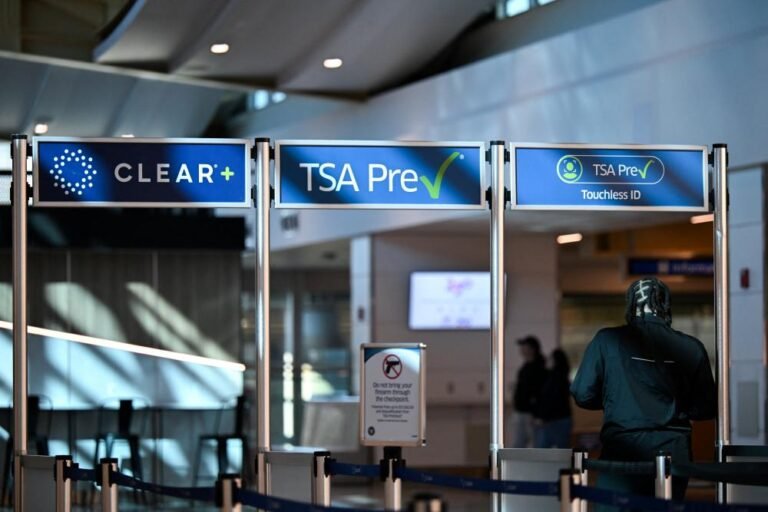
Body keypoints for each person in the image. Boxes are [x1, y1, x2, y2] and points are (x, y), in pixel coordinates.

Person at [571, 277, 716, 505]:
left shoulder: (607, 340)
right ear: (665, 304)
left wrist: (616, 399)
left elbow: (582, 393)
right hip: (674, 450)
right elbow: (706, 408)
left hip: (623, 449)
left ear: (631, 304)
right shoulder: (691, 347)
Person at [512, 335, 547, 448]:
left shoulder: (539, 367)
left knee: (534, 443)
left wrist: (537, 413)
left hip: (531, 413)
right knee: (519, 443)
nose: (521, 350)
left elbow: (540, 392)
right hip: (521, 410)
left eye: (524, 347)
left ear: (532, 349)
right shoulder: (525, 367)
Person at [533, 348, 573, 448]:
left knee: (543, 449)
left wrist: (542, 417)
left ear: (555, 361)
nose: (548, 360)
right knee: (561, 449)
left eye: (550, 358)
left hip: (554, 420)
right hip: (561, 418)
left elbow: (550, 400)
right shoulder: (561, 377)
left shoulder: (555, 378)